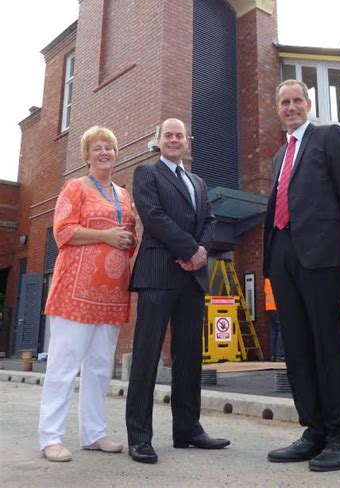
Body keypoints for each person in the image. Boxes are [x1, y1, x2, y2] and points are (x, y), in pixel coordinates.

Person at [263, 79, 340, 473]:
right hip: (284, 256)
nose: (290, 107)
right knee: (297, 347)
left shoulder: (327, 137)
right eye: (283, 102)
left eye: (296, 101)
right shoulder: (277, 157)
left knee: (327, 343)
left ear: (308, 103)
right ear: (278, 109)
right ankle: (314, 431)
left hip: (322, 254)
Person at [125, 118, 230, 464]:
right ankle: (140, 436)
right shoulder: (147, 174)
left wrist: (200, 252)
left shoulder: (197, 182)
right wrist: (190, 250)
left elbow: (211, 221)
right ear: (158, 141)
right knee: (146, 354)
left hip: (191, 279)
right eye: (167, 135)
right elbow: (153, 217)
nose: (173, 140)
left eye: (179, 135)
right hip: (158, 274)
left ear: (188, 141)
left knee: (189, 356)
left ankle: (187, 429)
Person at [38, 126, 136, 462]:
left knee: (98, 368)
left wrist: (127, 239)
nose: (105, 152)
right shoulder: (75, 188)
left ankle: (94, 433)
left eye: (109, 147)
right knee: (63, 366)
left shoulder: (123, 195)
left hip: (110, 294)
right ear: (87, 155)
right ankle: (50, 436)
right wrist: (108, 235)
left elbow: (130, 232)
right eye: (97, 148)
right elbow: (62, 231)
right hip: (75, 293)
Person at [264, 277, 284, 361]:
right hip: (277, 307)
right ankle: (280, 354)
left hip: (269, 308)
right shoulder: (278, 278)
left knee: (273, 331)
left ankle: (273, 355)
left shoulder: (267, 280)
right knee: (281, 330)